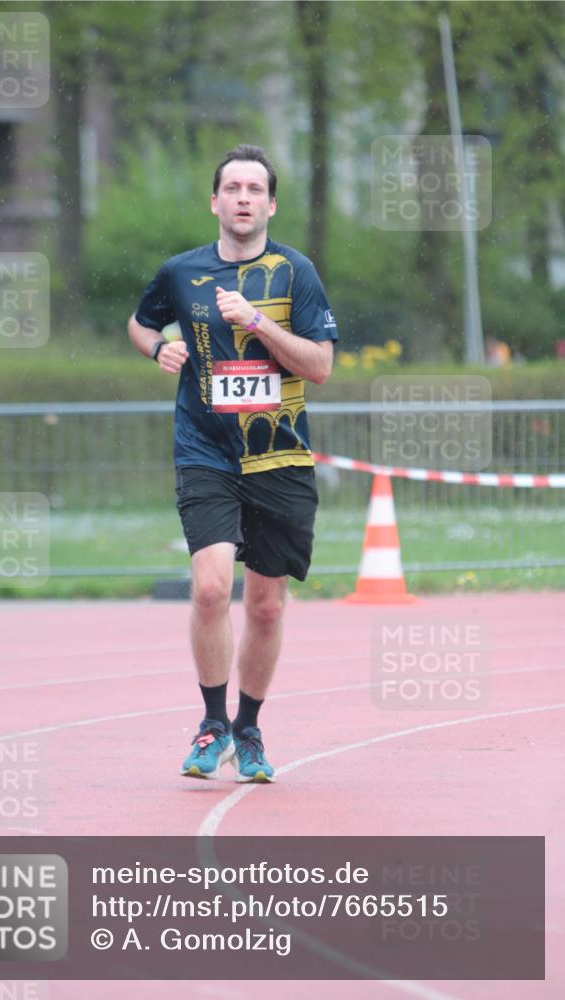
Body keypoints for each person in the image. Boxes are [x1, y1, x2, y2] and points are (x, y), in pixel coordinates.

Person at [128, 144, 338, 783]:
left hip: (278, 455)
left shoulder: (295, 273)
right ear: (214, 201)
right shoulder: (181, 272)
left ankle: (249, 728)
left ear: (271, 204)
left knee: (267, 605)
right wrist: (158, 347)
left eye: (255, 189)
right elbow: (139, 324)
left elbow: (320, 366)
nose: (243, 198)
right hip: (204, 450)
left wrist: (257, 323)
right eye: (232, 188)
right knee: (214, 586)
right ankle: (211, 723)